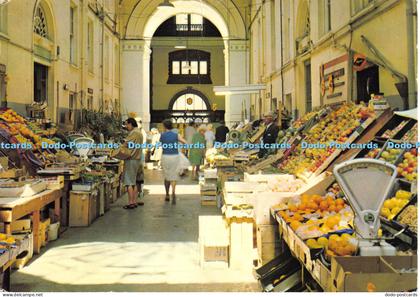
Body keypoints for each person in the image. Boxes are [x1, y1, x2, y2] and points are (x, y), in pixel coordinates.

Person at [160, 119, 187, 204]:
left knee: (167, 175)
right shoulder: (176, 135)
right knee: (174, 175)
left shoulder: (162, 135)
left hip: (165, 156)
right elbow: (185, 142)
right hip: (175, 156)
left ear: (164, 126)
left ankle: (167, 194)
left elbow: (161, 144)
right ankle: (173, 192)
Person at [122, 118, 143, 209]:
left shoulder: (134, 133)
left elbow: (126, 143)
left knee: (129, 182)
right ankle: (134, 201)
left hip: (131, 159)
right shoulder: (139, 132)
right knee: (134, 181)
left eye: (127, 124)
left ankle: (130, 203)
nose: (126, 127)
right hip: (137, 159)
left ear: (131, 124)